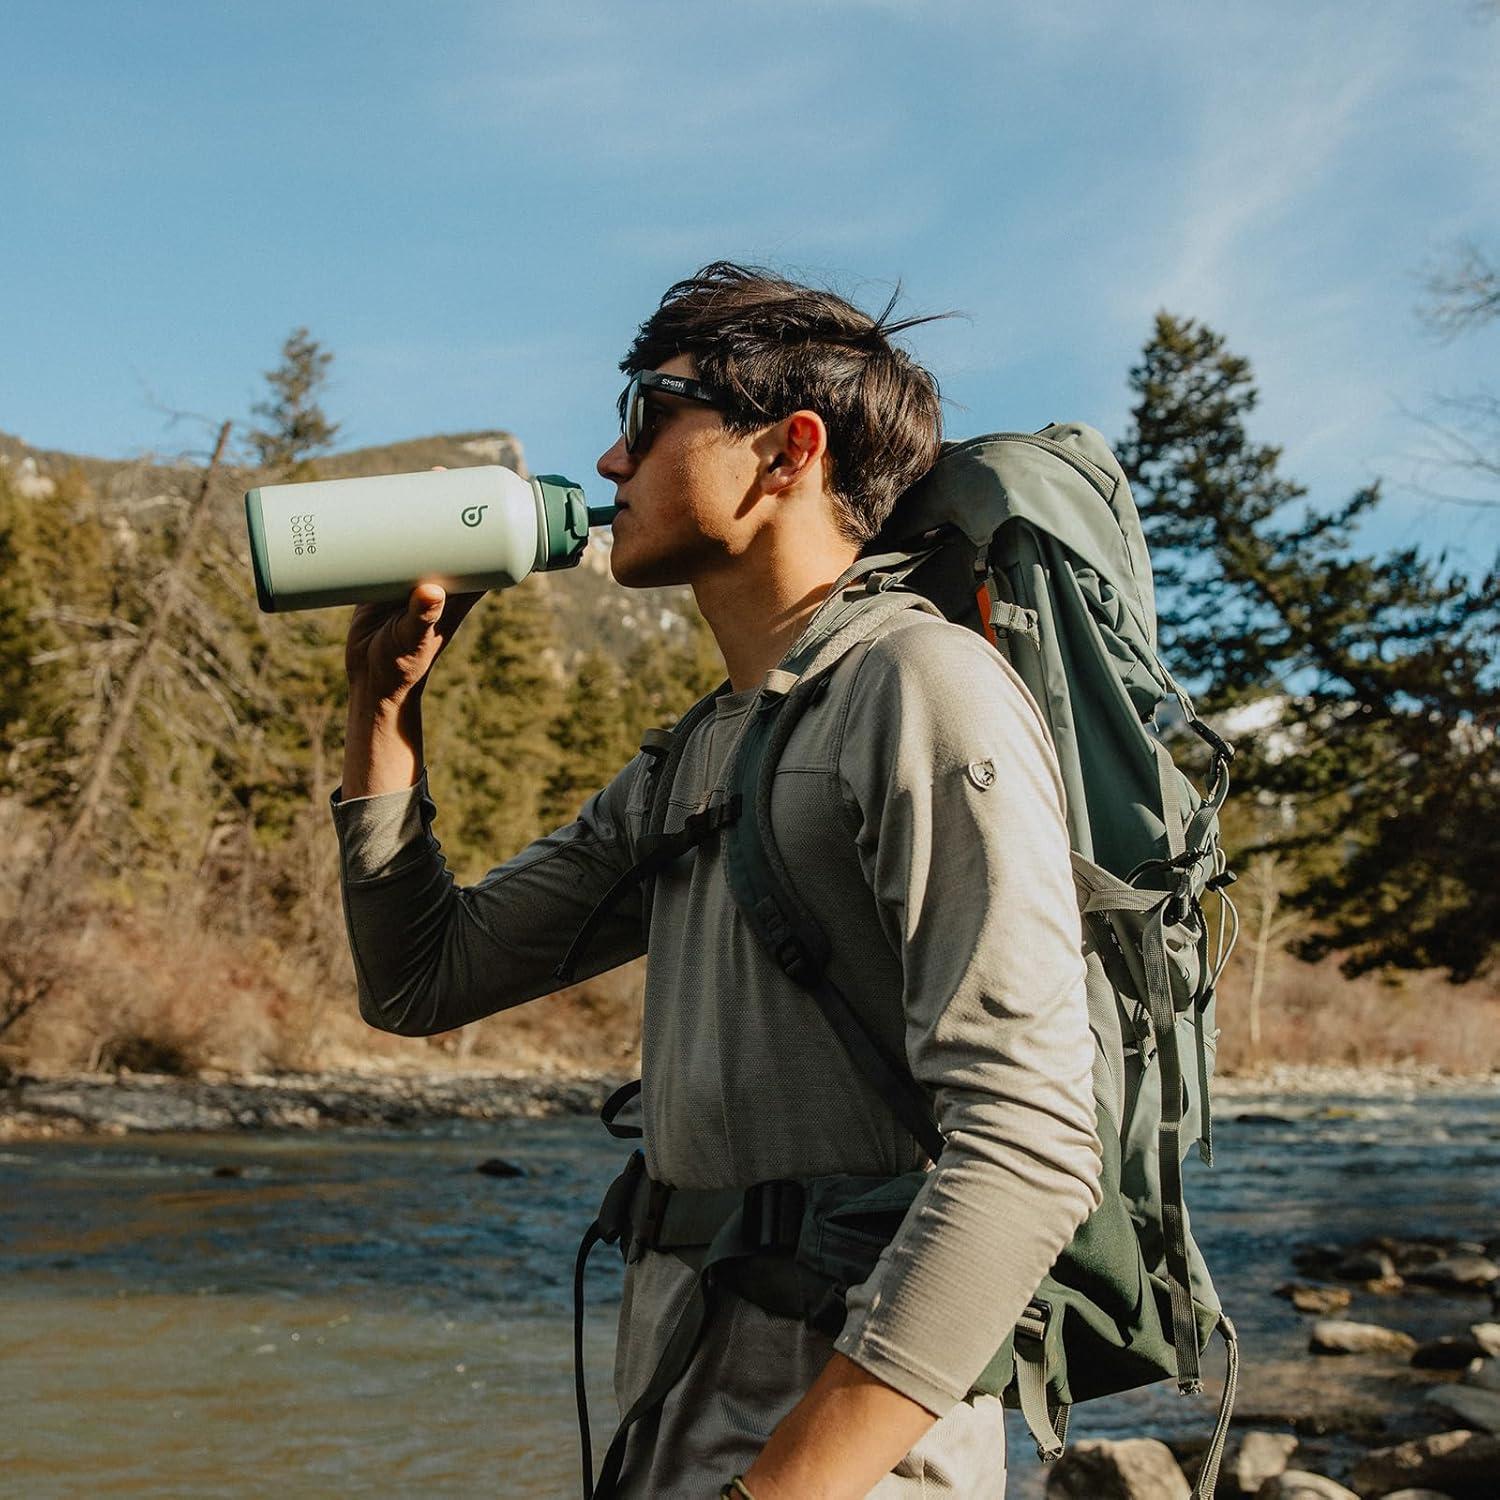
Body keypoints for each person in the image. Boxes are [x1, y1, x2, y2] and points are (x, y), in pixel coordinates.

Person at [330, 262, 1102, 1498]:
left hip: (842, 1444)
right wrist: (382, 715)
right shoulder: (702, 751)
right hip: (681, 1388)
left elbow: (1030, 1145)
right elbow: (422, 980)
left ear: (788, 451)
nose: (613, 460)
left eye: (650, 411)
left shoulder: (923, 687)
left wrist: (780, 1491)